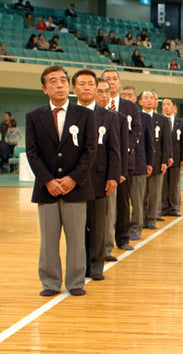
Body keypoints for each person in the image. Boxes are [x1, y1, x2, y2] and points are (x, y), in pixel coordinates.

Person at [26, 65, 97, 297]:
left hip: (76, 188)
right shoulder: (34, 117)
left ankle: (76, 281)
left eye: (64, 81)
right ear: (44, 88)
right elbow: (32, 152)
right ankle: (50, 282)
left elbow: (90, 151)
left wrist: (73, 179)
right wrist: (48, 181)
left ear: (69, 86)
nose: (60, 85)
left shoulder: (86, 115)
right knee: (48, 240)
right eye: (53, 81)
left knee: (76, 239)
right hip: (46, 190)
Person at [71, 69, 120, 281]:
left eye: (91, 84)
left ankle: (96, 265)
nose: (87, 88)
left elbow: (114, 149)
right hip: (73, 180)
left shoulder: (108, 117)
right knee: (77, 226)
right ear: (75, 89)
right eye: (82, 84)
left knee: (99, 225)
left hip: (100, 179)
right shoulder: (69, 114)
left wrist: (113, 176)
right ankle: (79, 266)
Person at [101, 69, 142, 252]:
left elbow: (137, 130)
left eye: (114, 79)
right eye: (107, 79)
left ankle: (122, 238)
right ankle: (102, 239)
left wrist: (125, 149)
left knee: (123, 202)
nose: (111, 82)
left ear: (119, 83)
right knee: (103, 204)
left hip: (125, 161)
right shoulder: (98, 105)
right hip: (102, 162)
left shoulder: (129, 106)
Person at [95, 78, 128, 261]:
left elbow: (120, 149)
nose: (104, 95)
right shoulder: (80, 115)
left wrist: (119, 172)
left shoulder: (118, 118)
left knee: (108, 214)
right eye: (100, 91)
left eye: (107, 92)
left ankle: (106, 248)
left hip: (107, 174)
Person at [120, 87, 153, 240]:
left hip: (139, 163)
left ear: (135, 99)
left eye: (130, 95)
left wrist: (149, 163)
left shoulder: (145, 118)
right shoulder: (114, 113)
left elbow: (149, 142)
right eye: (124, 95)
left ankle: (136, 228)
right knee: (121, 201)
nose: (126, 98)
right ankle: (120, 228)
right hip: (120, 165)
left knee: (137, 200)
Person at [138, 91, 169, 229]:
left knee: (154, 193)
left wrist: (164, 161)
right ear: (140, 102)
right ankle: (141, 218)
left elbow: (166, 142)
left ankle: (151, 219)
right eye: (146, 98)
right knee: (141, 194)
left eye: (152, 98)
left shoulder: (162, 119)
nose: (149, 100)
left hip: (156, 161)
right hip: (141, 161)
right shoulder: (136, 117)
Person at [160, 98, 183, 217]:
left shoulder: (180, 123)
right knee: (163, 185)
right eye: (164, 105)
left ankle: (174, 208)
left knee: (174, 185)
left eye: (168, 104)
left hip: (176, 158)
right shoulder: (159, 121)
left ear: (174, 107)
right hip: (162, 159)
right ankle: (163, 207)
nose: (166, 107)